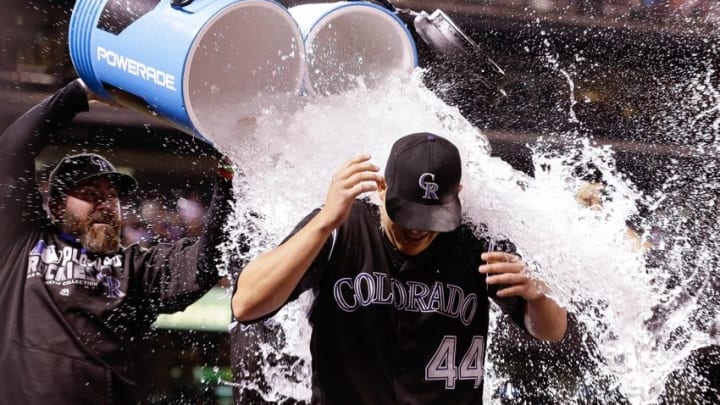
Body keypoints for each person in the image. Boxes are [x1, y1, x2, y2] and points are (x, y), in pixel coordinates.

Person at [232, 132, 567, 404]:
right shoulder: (341, 226)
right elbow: (246, 304)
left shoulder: (476, 240)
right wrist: (324, 221)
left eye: (431, 217)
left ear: (456, 197)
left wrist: (538, 296)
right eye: (406, 214)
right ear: (382, 188)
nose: (417, 229)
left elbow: (550, 330)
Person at [0, 79, 234, 403]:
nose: (106, 203)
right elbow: (9, 150)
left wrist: (226, 176)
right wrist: (80, 93)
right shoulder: (23, 241)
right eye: (90, 194)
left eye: (112, 196)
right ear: (55, 207)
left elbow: (204, 263)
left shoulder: (138, 267)